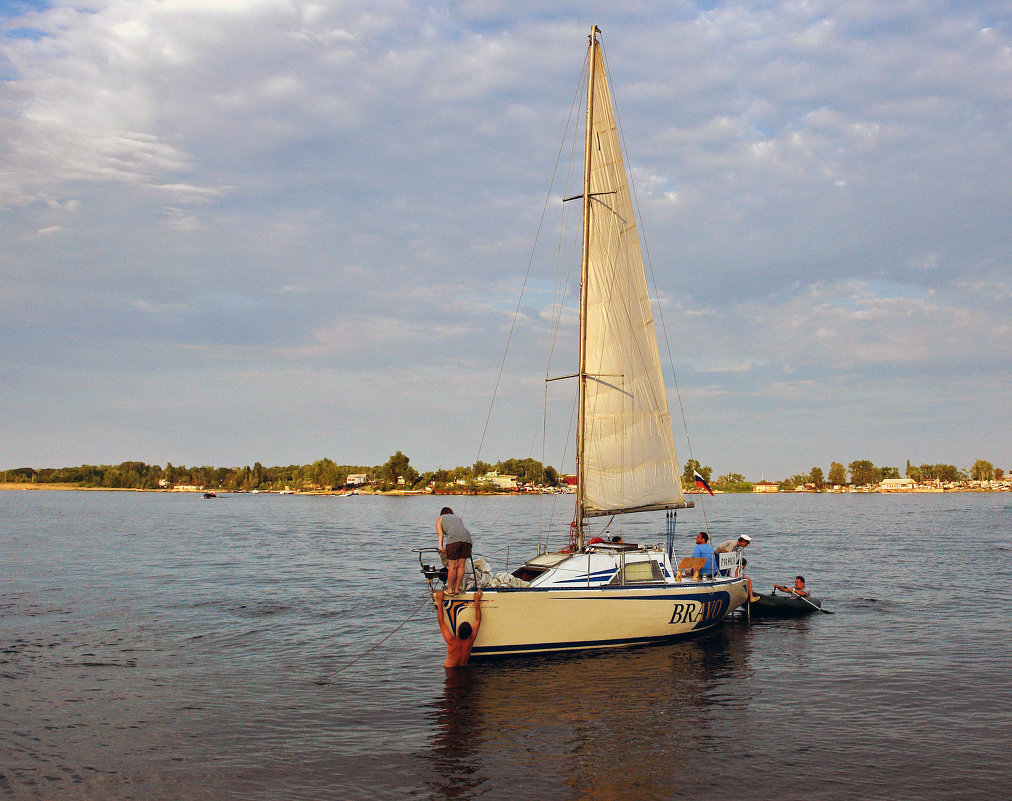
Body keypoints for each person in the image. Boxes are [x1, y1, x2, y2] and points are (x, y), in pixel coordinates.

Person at [435, 588, 483, 667]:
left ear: (457, 630)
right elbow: (478, 619)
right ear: (470, 632)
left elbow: (441, 622)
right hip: (463, 669)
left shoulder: (451, 641)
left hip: (450, 670)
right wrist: (477, 601)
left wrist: (439, 601)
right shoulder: (470, 640)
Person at [436, 506, 472, 595]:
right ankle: (456, 589)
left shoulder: (440, 519)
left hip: (453, 540)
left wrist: (441, 547)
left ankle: (450, 589)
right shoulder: (457, 518)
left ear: (442, 514)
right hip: (467, 539)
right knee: (461, 566)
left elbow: (440, 534)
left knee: (452, 567)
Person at [714, 534, 759, 601]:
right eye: (746, 543)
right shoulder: (733, 544)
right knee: (724, 573)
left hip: (723, 557)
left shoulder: (737, 546)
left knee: (726, 572)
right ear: (743, 541)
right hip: (718, 556)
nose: (746, 545)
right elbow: (725, 552)